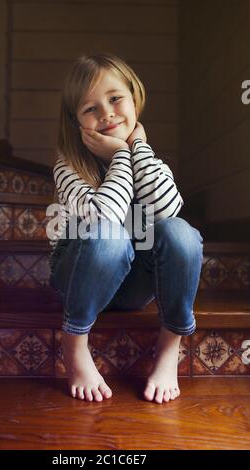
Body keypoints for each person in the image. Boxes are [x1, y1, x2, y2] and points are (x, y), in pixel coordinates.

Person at [46, 52, 203, 404]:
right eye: (91, 109)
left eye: (115, 98)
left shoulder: (149, 160)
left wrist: (137, 149)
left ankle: (168, 348)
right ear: (77, 122)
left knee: (180, 233)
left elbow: (165, 211)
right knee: (108, 235)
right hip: (79, 280)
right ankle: (74, 345)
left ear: (135, 98)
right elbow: (105, 218)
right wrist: (119, 155)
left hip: (133, 286)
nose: (107, 114)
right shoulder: (68, 167)